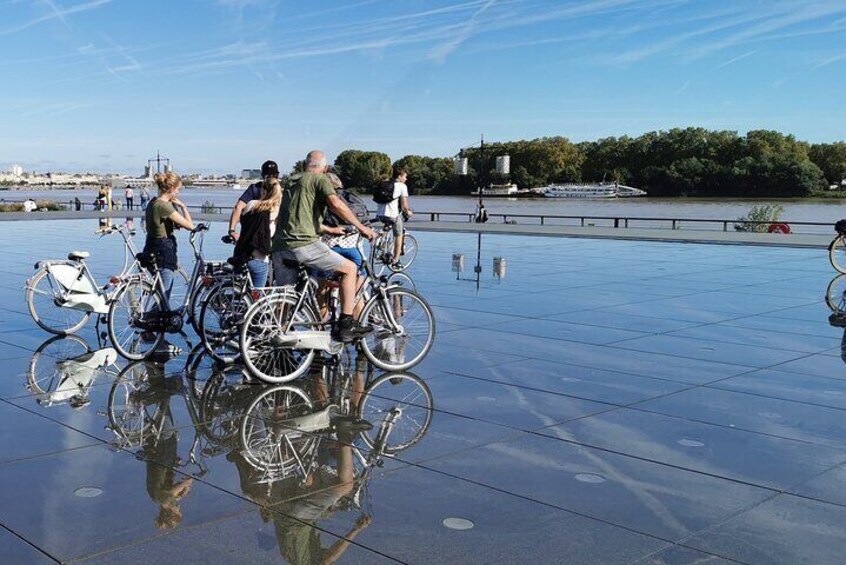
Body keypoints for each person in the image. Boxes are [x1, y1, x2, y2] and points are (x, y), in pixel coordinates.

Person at [272, 150, 375, 343]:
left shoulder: (290, 183)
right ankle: (346, 324)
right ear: (325, 168)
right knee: (350, 269)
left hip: (279, 247)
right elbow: (336, 204)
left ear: (304, 165)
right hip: (302, 244)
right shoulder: (320, 180)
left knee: (285, 298)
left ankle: (274, 336)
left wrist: (330, 229)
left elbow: (297, 219)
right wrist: (362, 227)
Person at [143, 172, 194, 309]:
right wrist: (183, 207)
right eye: (178, 189)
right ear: (171, 188)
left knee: (158, 291)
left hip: (150, 247)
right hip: (163, 251)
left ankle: (150, 326)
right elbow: (190, 226)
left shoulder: (152, 202)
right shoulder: (164, 206)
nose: (178, 193)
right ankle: (151, 323)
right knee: (164, 295)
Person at [233, 176, 281, 287]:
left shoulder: (251, 204)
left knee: (240, 294)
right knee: (257, 299)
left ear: (263, 190)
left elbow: (242, 217)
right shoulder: (276, 211)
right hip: (259, 258)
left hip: (242, 255)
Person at [228, 160, 278, 241]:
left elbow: (238, 207)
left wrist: (232, 230)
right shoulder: (281, 191)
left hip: (253, 236)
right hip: (275, 237)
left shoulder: (254, 188)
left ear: (262, 175)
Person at [376, 167, 413, 267]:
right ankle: (396, 260)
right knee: (398, 234)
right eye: (405, 176)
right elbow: (404, 206)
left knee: (388, 224)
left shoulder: (384, 183)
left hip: (379, 214)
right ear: (400, 176)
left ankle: (381, 244)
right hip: (392, 216)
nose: (406, 179)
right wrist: (408, 212)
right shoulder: (401, 186)